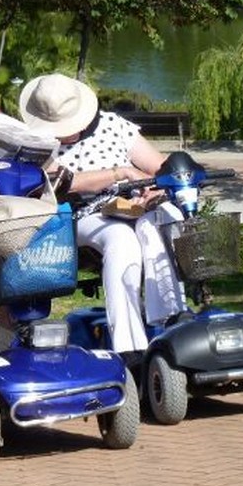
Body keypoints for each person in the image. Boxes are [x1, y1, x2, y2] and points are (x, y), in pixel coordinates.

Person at [18, 72, 188, 362]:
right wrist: (118, 174)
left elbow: (159, 167)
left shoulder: (113, 125)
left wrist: (155, 188)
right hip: (82, 213)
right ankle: (129, 346)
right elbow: (62, 183)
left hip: (134, 204)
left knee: (159, 220)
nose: (62, 132)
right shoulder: (36, 141)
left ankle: (170, 319)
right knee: (120, 238)